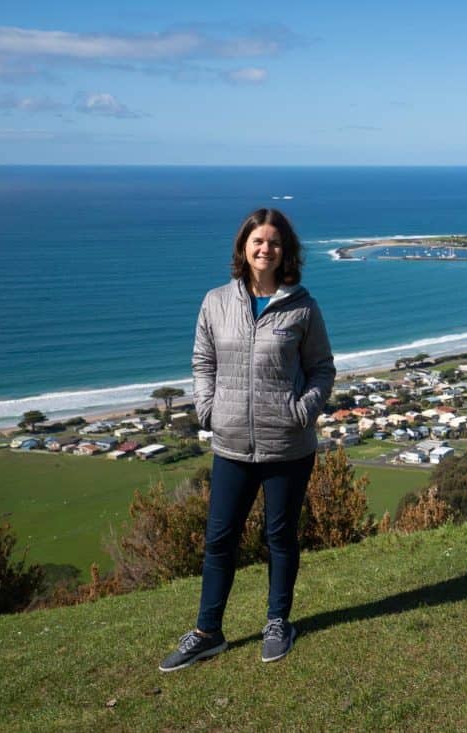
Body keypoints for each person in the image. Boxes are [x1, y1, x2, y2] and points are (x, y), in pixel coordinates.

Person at [160, 208, 335, 672]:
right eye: (258, 241)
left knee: (279, 536)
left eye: (274, 242)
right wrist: (208, 409)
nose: (265, 249)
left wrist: (301, 412)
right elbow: (203, 360)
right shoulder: (215, 302)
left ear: (285, 252)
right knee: (219, 538)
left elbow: (322, 368)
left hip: (288, 445)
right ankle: (207, 631)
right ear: (243, 247)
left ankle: (278, 622)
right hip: (232, 442)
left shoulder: (302, 306)